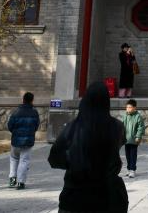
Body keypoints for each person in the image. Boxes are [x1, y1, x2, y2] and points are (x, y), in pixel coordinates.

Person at [48, 82, 127, 213]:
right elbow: (119, 144)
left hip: (75, 196)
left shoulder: (72, 127)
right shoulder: (117, 127)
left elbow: (54, 159)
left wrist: (73, 161)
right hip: (108, 196)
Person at [6, 91, 40, 189]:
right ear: (32, 101)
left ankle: (12, 180)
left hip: (16, 141)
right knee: (24, 160)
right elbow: (36, 126)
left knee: (14, 159)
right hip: (28, 141)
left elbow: (10, 126)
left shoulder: (16, 112)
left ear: (23, 100)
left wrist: (15, 133)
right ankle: (21, 182)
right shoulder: (34, 112)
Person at [122, 98, 145, 178]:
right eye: (127, 107)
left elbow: (141, 127)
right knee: (127, 155)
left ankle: (132, 170)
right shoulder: (125, 115)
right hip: (126, 139)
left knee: (133, 155)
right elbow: (122, 126)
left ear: (134, 108)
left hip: (134, 140)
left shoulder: (138, 116)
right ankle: (129, 169)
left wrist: (138, 136)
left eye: (130, 107)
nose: (128, 109)